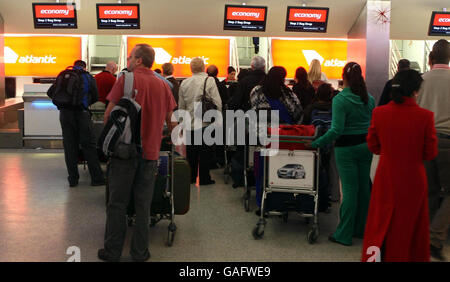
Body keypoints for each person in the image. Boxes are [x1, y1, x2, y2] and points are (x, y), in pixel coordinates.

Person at [98, 44, 177, 262]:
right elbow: (172, 121)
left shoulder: (126, 79)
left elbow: (108, 115)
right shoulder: (164, 85)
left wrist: (107, 145)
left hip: (123, 153)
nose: (129, 60)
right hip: (150, 154)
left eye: (131, 56)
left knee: (117, 203)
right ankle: (140, 252)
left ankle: (112, 251)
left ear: (139, 60)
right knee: (144, 205)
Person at [362, 70, 438, 262]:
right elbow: (430, 153)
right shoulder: (425, 117)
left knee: (380, 223)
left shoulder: (379, 113)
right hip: (414, 179)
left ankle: (377, 257)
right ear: (415, 91)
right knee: (410, 226)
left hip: (386, 177)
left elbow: (373, 146)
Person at [309, 62, 375, 246]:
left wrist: (316, 143)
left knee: (349, 191)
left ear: (343, 77)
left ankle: (344, 234)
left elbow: (336, 130)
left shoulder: (340, 100)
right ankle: (361, 229)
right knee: (363, 189)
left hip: (346, 149)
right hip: (365, 147)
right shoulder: (368, 98)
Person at [417, 39, 450, 261]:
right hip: (448, 141)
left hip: (425, 142)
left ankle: (425, 237)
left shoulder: (421, 80)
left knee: (429, 192)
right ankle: (435, 236)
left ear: (430, 59)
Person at [52, 60, 105, 188]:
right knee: (88, 146)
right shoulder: (87, 77)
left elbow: (51, 92)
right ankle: (96, 178)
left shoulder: (64, 74)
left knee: (70, 146)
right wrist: (85, 103)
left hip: (65, 114)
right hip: (82, 114)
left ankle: (73, 179)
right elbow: (96, 96)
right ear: (84, 67)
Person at [178, 57, 222, 185]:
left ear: (191, 68)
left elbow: (181, 106)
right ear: (203, 68)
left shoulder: (184, 83)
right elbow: (217, 102)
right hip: (206, 123)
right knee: (205, 153)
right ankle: (204, 178)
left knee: (191, 153)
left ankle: (191, 178)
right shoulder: (210, 80)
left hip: (190, 123)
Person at [227, 57, 266, 188]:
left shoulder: (244, 82)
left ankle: (244, 179)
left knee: (244, 151)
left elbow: (235, 102)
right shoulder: (268, 81)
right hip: (267, 124)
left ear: (252, 67)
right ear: (264, 67)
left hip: (246, 122)